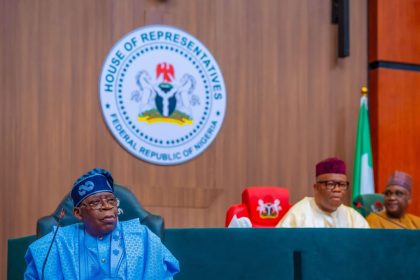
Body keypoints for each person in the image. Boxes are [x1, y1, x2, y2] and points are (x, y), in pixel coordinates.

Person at [24, 168, 180, 279]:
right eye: (95, 202)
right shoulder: (56, 243)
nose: (107, 206)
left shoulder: (143, 237)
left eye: (111, 200)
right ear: (78, 213)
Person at [276, 157, 369, 228]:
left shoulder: (353, 217)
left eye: (342, 184)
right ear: (316, 188)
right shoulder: (298, 214)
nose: (337, 189)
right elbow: (279, 245)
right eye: (330, 184)